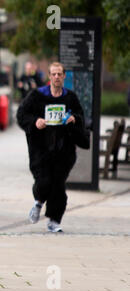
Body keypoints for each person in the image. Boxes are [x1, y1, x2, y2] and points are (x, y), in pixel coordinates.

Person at [17, 62, 89, 233]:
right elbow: (21, 114)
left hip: (64, 149)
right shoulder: (37, 95)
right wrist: (36, 121)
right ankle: (38, 202)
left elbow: (80, 117)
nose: (57, 77)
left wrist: (74, 119)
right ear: (49, 77)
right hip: (41, 149)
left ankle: (54, 221)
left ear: (64, 76)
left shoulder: (70, 97)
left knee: (58, 185)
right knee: (44, 182)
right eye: (54, 74)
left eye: (59, 74)